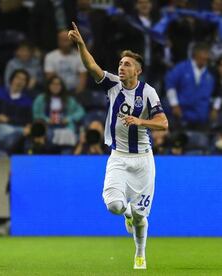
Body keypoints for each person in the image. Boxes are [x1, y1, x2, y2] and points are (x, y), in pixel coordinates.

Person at [68, 22, 168, 269]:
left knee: (142, 216)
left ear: (138, 71)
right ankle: (126, 213)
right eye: (121, 63)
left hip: (143, 160)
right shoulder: (113, 85)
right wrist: (81, 44)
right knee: (115, 206)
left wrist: (139, 121)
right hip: (118, 157)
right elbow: (92, 67)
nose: (121, 67)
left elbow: (163, 123)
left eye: (127, 64)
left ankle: (140, 254)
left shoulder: (148, 92)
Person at [165, 43, 217, 129]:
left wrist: (215, 108)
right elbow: (170, 85)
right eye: (203, 53)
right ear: (196, 54)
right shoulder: (182, 67)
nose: (205, 57)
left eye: (207, 54)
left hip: (201, 116)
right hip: (181, 113)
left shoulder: (210, 73)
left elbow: (217, 92)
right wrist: (174, 104)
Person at [0, 69, 33, 146]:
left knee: (20, 134)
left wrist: (8, 120)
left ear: (25, 84)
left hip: (18, 128)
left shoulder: (27, 102)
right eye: (18, 78)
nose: (20, 81)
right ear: (12, 79)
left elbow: (27, 120)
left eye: (23, 80)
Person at [33, 76, 85, 146]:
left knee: (71, 137)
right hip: (47, 127)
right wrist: (47, 120)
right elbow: (36, 114)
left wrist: (69, 119)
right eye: (53, 84)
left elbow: (81, 112)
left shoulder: (69, 100)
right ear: (49, 86)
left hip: (65, 127)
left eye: (58, 84)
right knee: (46, 135)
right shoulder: (40, 99)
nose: (55, 86)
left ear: (62, 86)